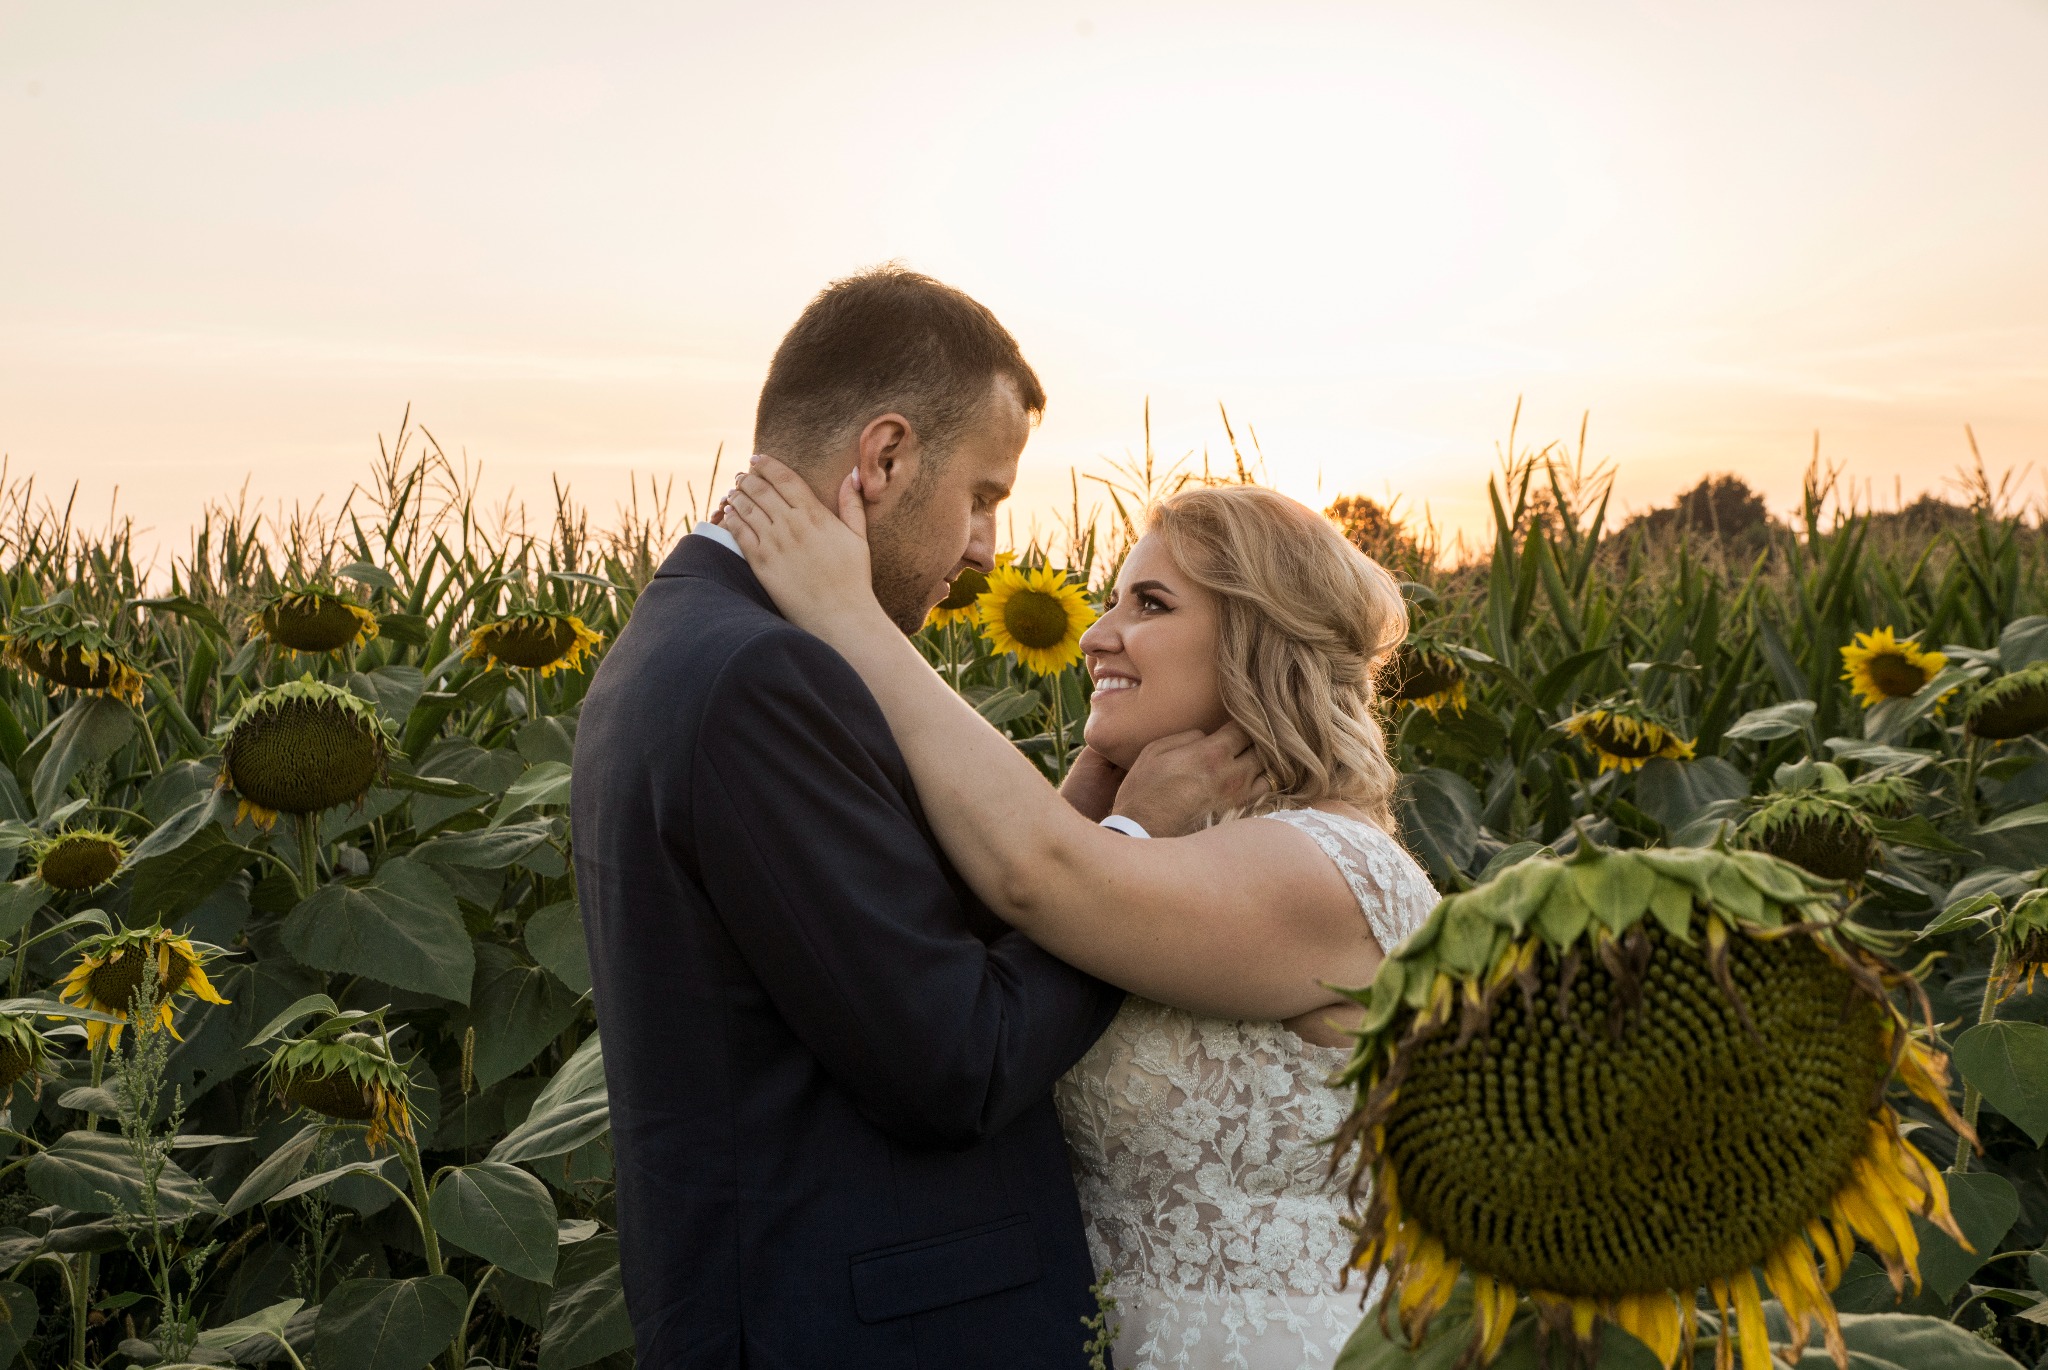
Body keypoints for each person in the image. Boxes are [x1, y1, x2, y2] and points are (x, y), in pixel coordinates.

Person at [570, 266, 1261, 1370]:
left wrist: (1084, 798)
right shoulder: (762, 676)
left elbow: (885, 942)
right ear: (884, 457)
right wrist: (1135, 848)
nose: (989, 545)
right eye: (983, 492)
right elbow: (956, 1058)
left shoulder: (690, 639)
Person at [720, 459, 1441, 1370]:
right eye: (1112, 601)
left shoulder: (1328, 873)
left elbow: (1035, 880)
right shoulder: (1172, 846)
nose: (1098, 634)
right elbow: (988, 965)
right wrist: (1099, 786)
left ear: (1259, 636)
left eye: (1149, 604)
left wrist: (846, 618)